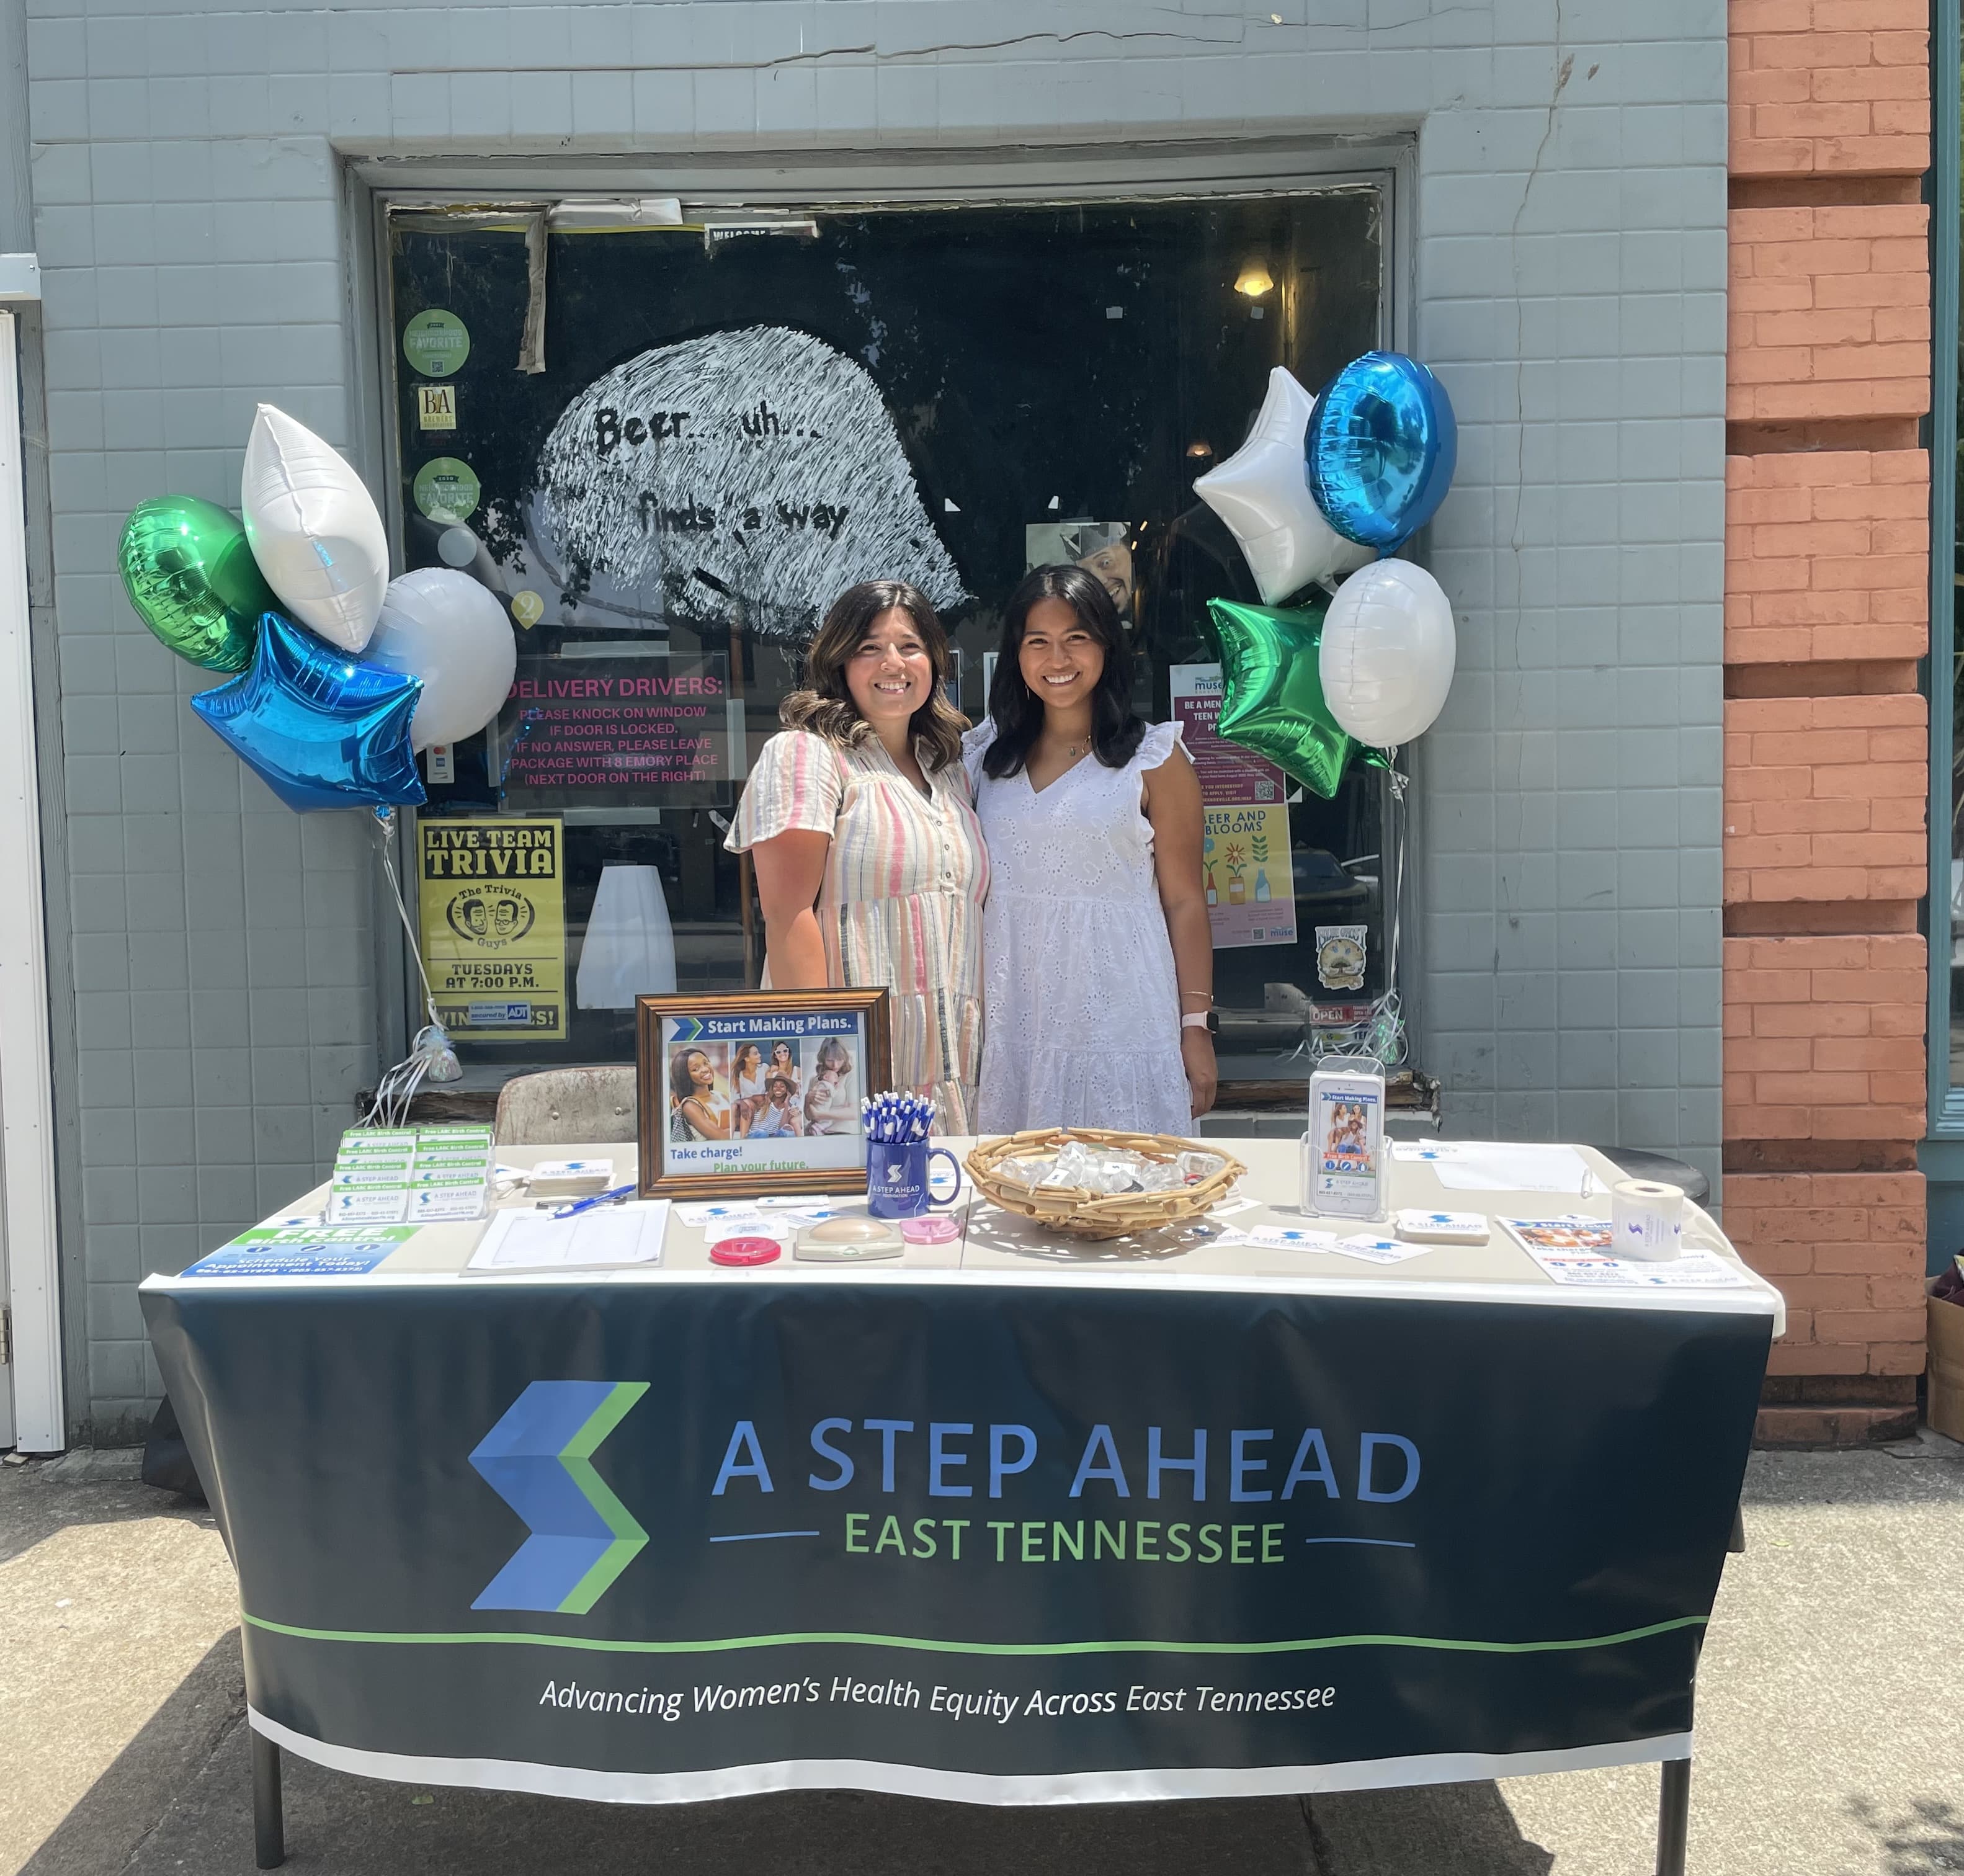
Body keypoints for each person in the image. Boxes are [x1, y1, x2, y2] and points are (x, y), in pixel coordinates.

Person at [726, 580, 987, 1129]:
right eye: (869, 647)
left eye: (909, 646)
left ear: (935, 662)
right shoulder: (806, 755)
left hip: (948, 1058)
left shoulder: (949, 771)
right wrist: (822, 1057)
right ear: (839, 660)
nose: (892, 662)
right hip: (853, 1066)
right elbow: (787, 915)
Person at [965, 563, 1215, 1133]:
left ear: (1107, 648)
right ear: (1016, 654)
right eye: (1039, 642)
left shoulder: (1155, 761)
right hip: (1013, 1020)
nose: (1058, 660)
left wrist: (1196, 1024)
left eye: (1077, 638)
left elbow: (1185, 903)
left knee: (1128, 1202)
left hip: (1122, 1018)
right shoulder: (981, 760)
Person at [669, 1047, 731, 1143]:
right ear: (685, 1075)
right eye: (696, 1069)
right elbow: (720, 1137)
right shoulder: (690, 1106)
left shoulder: (721, 1095)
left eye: (706, 1063)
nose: (705, 1069)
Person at [803, 1037, 856, 1136]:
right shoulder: (815, 1080)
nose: (835, 1065)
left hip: (842, 1132)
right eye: (830, 1060)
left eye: (839, 1060)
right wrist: (808, 1099)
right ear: (823, 1059)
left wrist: (820, 1115)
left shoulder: (850, 1076)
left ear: (845, 1059)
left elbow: (855, 1112)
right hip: (817, 1132)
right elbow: (809, 1116)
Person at [746, 1073, 805, 1139]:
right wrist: (743, 1105)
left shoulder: (789, 1109)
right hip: (756, 1135)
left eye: (782, 1086)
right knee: (763, 1134)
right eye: (775, 1086)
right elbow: (744, 1102)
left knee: (787, 1133)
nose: (778, 1089)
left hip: (771, 1138)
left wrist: (786, 1104)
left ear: (787, 1090)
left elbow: (782, 1127)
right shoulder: (764, 1099)